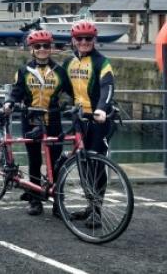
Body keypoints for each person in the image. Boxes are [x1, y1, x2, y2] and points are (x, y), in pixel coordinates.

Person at [4, 30, 72, 217]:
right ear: (31, 49)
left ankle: (59, 201)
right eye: (38, 46)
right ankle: (35, 199)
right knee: (34, 160)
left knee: (57, 162)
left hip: (53, 120)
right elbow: (16, 91)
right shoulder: (24, 70)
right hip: (31, 120)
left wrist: (67, 102)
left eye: (46, 46)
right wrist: (9, 102)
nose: (42, 49)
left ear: (51, 48)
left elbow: (68, 92)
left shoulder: (59, 71)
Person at [61, 20, 116, 229]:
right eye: (80, 39)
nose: (84, 42)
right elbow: (62, 87)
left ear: (94, 40)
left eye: (88, 39)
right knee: (83, 164)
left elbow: (107, 87)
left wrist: (101, 108)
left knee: (96, 163)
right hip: (79, 120)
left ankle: (97, 211)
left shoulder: (102, 62)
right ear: (73, 41)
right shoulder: (69, 63)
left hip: (98, 120)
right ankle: (89, 205)